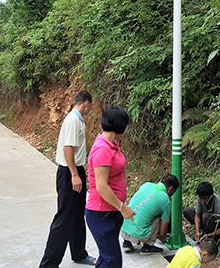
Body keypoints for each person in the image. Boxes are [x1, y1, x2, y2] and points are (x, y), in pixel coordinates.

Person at [39, 90, 95, 267]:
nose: (91, 108)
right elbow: (67, 148)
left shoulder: (77, 119)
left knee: (78, 215)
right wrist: (74, 175)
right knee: (64, 218)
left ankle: (79, 253)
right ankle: (48, 264)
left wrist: (78, 172)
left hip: (77, 169)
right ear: (86, 103)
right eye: (90, 105)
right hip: (69, 173)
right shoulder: (72, 120)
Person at [85, 106, 135, 268]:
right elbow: (101, 186)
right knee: (112, 261)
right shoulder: (102, 149)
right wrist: (122, 207)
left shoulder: (111, 144)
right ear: (120, 127)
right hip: (101, 214)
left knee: (106, 258)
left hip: (110, 213)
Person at [120, 173, 179, 255]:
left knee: (138, 209)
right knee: (159, 216)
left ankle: (127, 243)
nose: (172, 194)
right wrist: (163, 238)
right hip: (138, 235)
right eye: (174, 192)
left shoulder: (146, 185)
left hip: (123, 230)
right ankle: (148, 246)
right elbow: (162, 232)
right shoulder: (166, 200)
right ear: (170, 188)